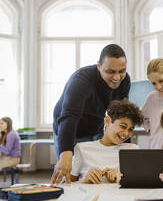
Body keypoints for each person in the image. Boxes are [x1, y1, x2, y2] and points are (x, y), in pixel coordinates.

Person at [52, 44, 130, 185]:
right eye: (110, 72)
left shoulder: (125, 81)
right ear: (99, 66)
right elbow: (69, 117)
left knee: (98, 176)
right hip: (69, 129)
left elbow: (121, 116)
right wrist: (66, 154)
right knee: (69, 177)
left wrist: (127, 151)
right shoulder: (81, 80)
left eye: (121, 71)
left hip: (96, 128)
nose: (117, 77)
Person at [70, 99, 143, 184]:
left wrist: (120, 179)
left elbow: (140, 183)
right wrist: (84, 180)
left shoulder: (133, 150)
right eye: (123, 126)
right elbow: (67, 184)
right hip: (92, 196)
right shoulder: (82, 148)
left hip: (120, 196)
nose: (126, 133)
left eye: (130, 129)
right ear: (108, 121)